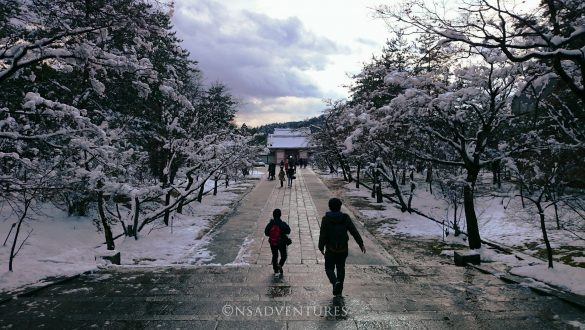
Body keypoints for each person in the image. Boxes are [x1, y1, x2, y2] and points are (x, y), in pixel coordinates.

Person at [318, 198, 366, 296]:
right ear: (340, 207)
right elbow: (354, 231)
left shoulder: (326, 219)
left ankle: (335, 283)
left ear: (330, 207)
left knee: (329, 268)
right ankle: (339, 291)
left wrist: (321, 246)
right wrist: (360, 243)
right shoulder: (345, 218)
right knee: (341, 268)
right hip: (343, 248)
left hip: (330, 249)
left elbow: (323, 234)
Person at [264, 209, 291, 276]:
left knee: (275, 255)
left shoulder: (270, 224)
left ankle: (275, 269)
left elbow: (266, 233)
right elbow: (288, 230)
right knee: (284, 256)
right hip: (281, 243)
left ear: (273, 215)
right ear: (280, 215)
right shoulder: (282, 223)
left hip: (273, 243)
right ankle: (280, 265)